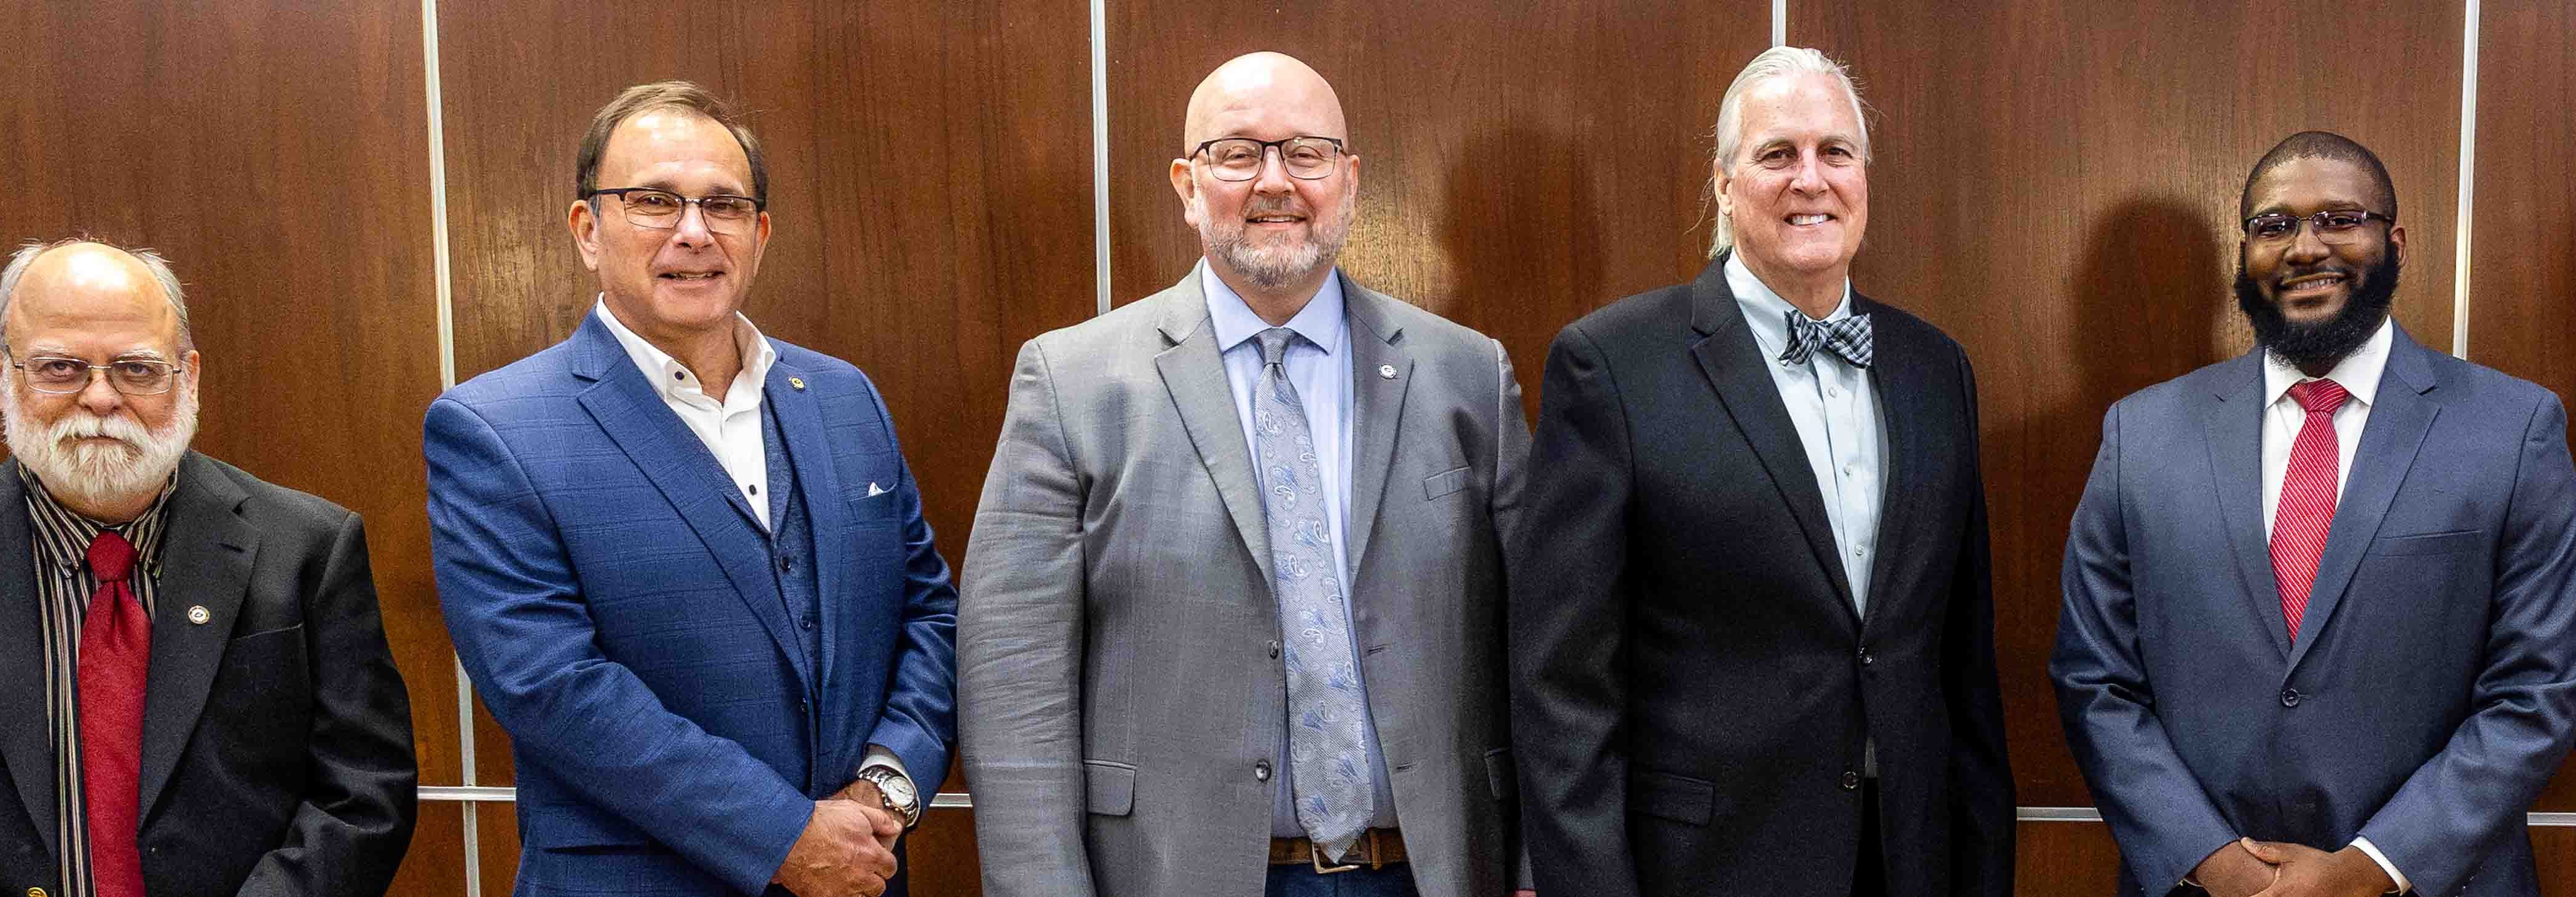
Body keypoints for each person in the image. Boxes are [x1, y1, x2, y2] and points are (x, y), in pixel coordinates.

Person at [960, 50, 1525, 896]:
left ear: (1350, 179)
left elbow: (1544, 646)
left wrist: (1533, 865)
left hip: (1431, 870)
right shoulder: (1072, 384)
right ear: (1188, 185)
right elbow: (1013, 678)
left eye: (1306, 153)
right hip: (1173, 872)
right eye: (1238, 154)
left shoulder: (1466, 376)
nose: (1275, 182)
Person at [425, 81, 956, 897]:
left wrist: (887, 787)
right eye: (654, 201)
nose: (694, 232)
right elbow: (555, 688)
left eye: (725, 205)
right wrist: (786, 838)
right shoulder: (492, 429)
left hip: (862, 872)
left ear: (761, 232)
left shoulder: (847, 398)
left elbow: (929, 611)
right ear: (587, 230)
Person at [1509, 44, 2014, 897]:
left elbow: (1962, 665)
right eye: (1777, 154)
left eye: (1835, 153)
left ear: (1863, 177)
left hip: (1910, 858)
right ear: (1723, 182)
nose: (1809, 180)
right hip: (1707, 868)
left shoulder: (1937, 370)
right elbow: (1562, 686)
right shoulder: (1613, 365)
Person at [0, 238, 417, 897]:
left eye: (137, 369)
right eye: (60, 367)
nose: (101, 399)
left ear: (189, 376)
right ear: (1, 374)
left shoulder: (309, 549)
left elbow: (363, 791)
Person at [2051, 130, 2576, 897]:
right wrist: (2214, 860)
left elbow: (2539, 686)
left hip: (2431, 881)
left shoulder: (2512, 428)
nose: (2306, 247)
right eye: (2274, 226)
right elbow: (2093, 677)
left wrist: (2371, 866)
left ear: (2394, 240)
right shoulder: (2139, 435)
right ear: (2244, 254)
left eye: (2340, 219)